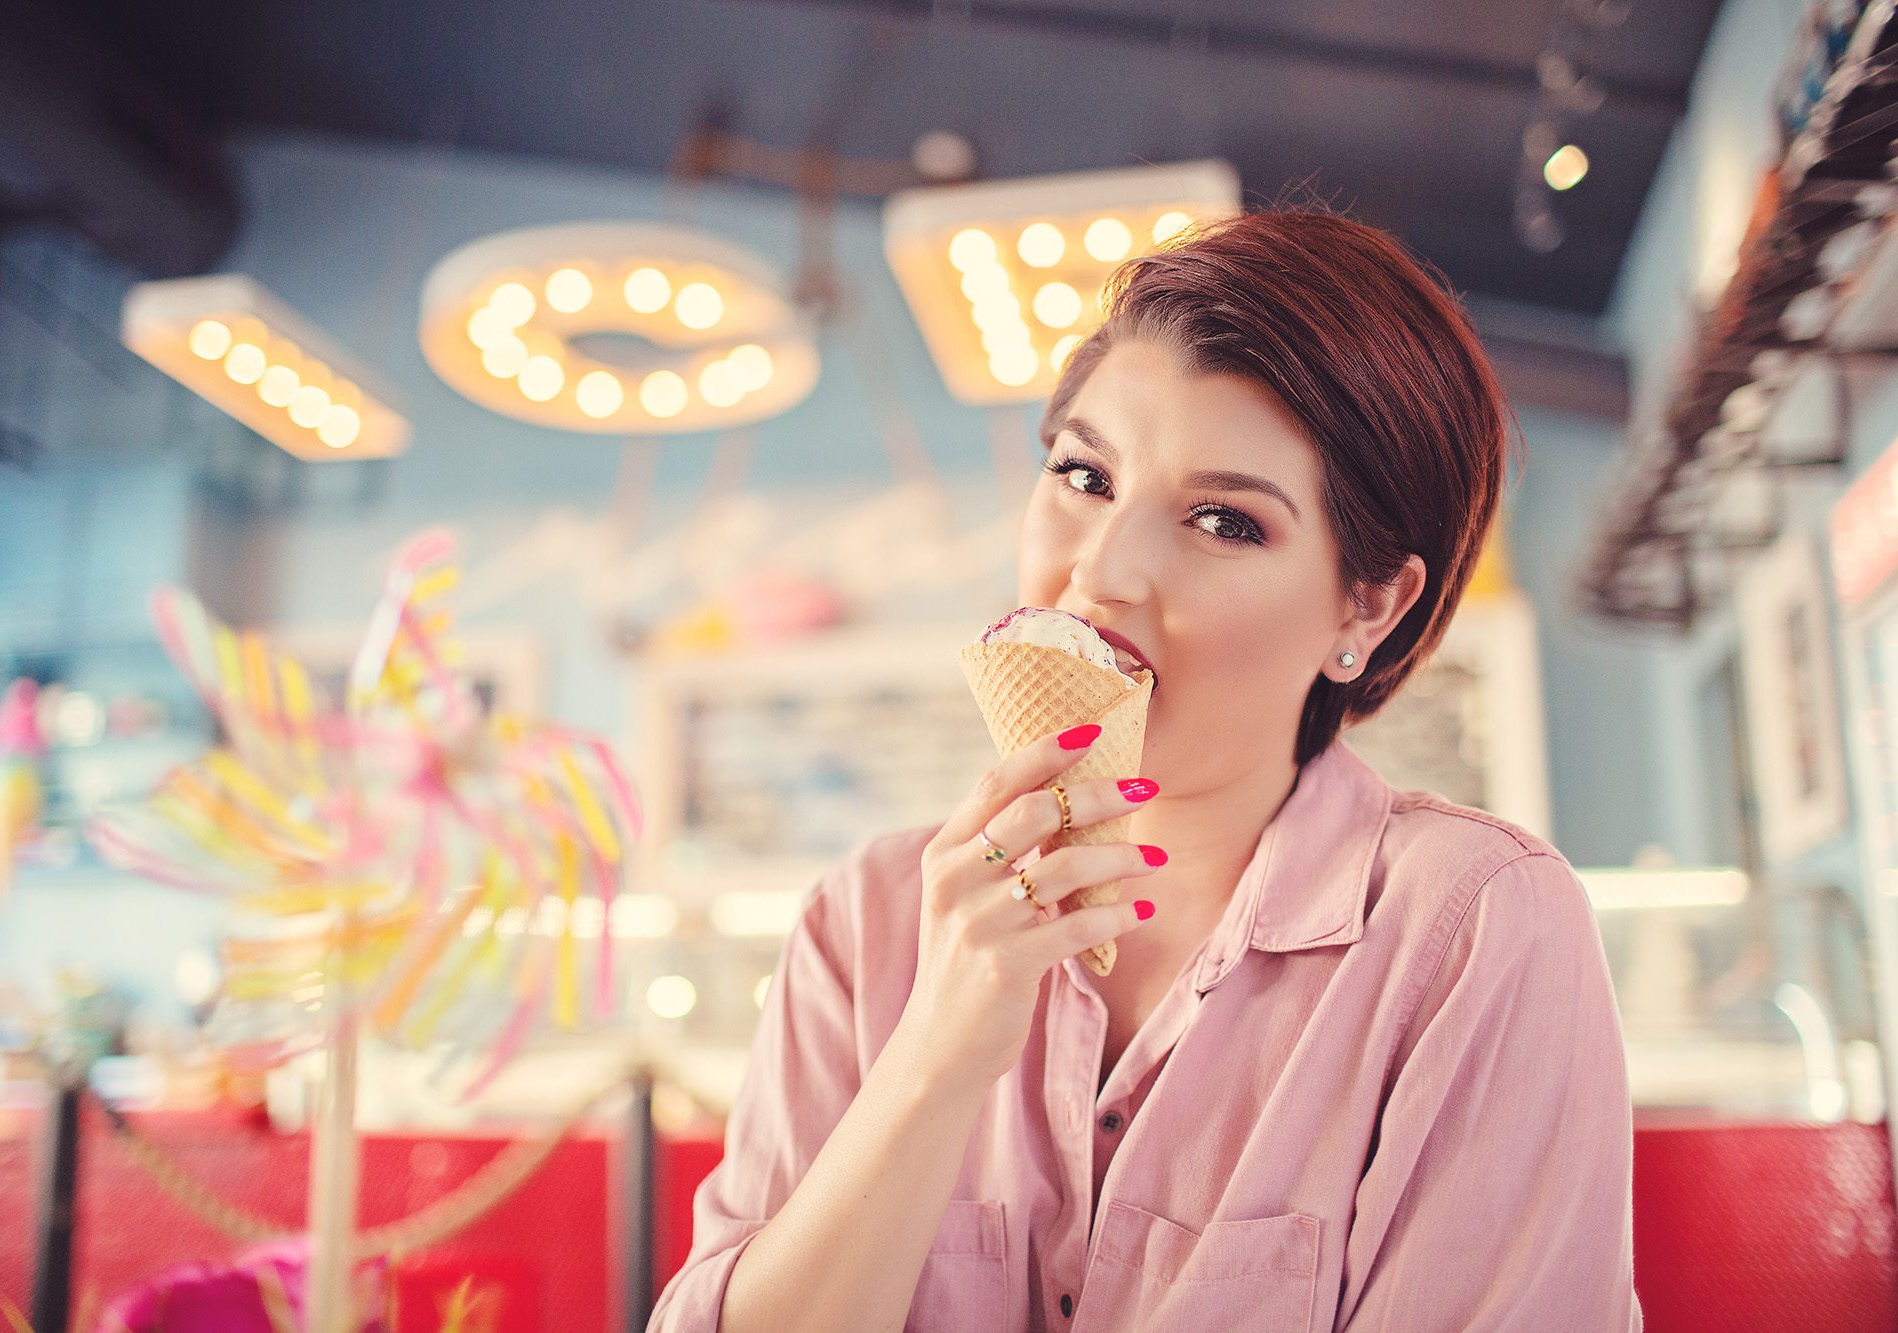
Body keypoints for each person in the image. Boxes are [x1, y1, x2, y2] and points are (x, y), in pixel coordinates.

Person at [648, 208, 1642, 1331]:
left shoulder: (1468, 928)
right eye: (1083, 474)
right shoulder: (863, 924)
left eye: (1222, 520)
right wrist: (935, 1054)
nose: (1102, 572)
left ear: (1369, 604)